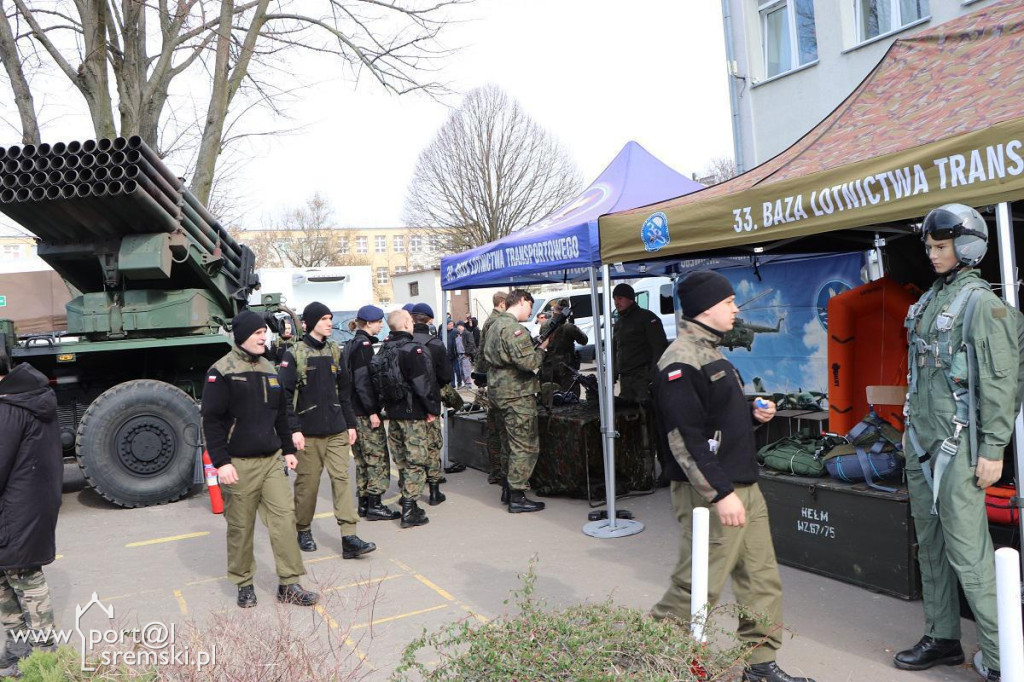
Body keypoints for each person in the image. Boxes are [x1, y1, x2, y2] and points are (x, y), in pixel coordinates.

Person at [650, 271, 813, 682]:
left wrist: (752, 415)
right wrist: (720, 493)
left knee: (761, 580)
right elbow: (683, 438)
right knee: (696, 586)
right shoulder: (680, 359)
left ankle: (760, 667)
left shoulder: (712, 352)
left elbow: (715, 422)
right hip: (712, 491)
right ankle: (654, 662)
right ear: (706, 309)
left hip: (742, 486)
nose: (736, 308)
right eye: (728, 302)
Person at [897, 204, 1016, 682]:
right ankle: (943, 637)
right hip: (922, 443)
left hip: (961, 449)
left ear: (966, 248)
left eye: (941, 246)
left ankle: (1003, 654)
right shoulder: (929, 300)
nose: (932, 253)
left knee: (970, 553)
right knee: (930, 546)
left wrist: (993, 448)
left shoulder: (984, 305)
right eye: (929, 246)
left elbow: (1001, 382)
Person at [202, 310, 318, 608]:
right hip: (238, 464)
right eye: (257, 333)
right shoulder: (221, 370)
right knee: (241, 527)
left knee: (284, 520)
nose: (264, 337)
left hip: (271, 461)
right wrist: (221, 462)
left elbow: (280, 414)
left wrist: (288, 450)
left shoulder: (270, 367)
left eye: (265, 333)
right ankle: (243, 583)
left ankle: (290, 583)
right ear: (242, 336)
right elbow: (211, 421)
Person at [280, 302, 376, 560]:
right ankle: (303, 528)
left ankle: (349, 536)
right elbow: (285, 398)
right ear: (310, 323)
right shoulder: (294, 354)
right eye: (323, 318)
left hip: (335, 430)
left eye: (330, 318)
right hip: (307, 433)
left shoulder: (336, 350)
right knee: (307, 485)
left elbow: (344, 392)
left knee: (342, 480)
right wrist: (294, 430)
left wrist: (350, 424)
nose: (329, 322)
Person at [0, 348, 61, 676]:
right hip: (25, 508)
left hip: (17, 512)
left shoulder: (9, 408)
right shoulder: (26, 397)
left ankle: (43, 657)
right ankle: (19, 650)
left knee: (24, 576)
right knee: (6, 576)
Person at [482, 289, 551, 513]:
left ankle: (507, 488)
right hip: (516, 394)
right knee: (525, 445)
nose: (531, 312)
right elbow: (529, 363)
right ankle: (518, 496)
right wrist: (542, 348)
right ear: (522, 301)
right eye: (530, 306)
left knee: (508, 444)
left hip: (498, 393)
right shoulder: (513, 329)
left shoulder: (493, 325)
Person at [380, 309, 441, 527]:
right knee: (416, 460)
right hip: (412, 413)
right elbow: (423, 384)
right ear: (407, 323)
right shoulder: (413, 350)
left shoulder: (384, 349)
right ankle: (409, 508)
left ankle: (409, 502)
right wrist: (432, 408)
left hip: (393, 414)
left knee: (402, 459)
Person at [343, 305, 401, 522]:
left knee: (362, 459)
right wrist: (373, 411)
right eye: (378, 322)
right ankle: (375, 504)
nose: (381, 326)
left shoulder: (352, 344)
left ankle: (365, 503)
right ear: (368, 323)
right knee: (376, 457)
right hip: (363, 412)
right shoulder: (363, 346)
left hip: (354, 411)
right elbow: (363, 382)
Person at [411, 303, 454, 505]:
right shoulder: (435, 343)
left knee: (411, 449)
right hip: (430, 400)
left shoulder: (402, 342)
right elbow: (446, 375)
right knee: (433, 446)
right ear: (429, 320)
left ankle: (410, 493)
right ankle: (435, 490)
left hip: (407, 405)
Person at [612, 282, 668, 403]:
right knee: (627, 415)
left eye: (620, 298)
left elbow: (660, 347)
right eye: (615, 299)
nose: (616, 302)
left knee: (647, 415)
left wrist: (652, 376)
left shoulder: (647, 318)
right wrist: (613, 373)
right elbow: (615, 349)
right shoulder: (619, 323)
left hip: (643, 379)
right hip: (626, 380)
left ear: (630, 299)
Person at [477, 291, 509, 485]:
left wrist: (480, 374)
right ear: (503, 303)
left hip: (490, 378)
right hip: (498, 380)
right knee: (499, 428)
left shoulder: (489, 321)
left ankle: (496, 469)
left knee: (494, 426)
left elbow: (481, 352)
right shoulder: (497, 322)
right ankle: (499, 471)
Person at [539, 299, 588, 396]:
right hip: (567, 368)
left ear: (554, 310)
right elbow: (584, 340)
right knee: (570, 397)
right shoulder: (569, 327)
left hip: (550, 367)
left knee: (551, 398)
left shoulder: (544, 325)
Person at [455, 323, 477, 388]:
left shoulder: (467, 334)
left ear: (463, 327)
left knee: (466, 370)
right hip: (459, 355)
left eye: (460, 326)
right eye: (458, 326)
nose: (459, 327)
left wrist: (466, 353)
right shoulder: (457, 335)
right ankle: (465, 384)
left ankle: (468, 385)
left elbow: (471, 344)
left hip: (465, 355)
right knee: (461, 371)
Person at [445, 321, 461, 387]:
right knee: (450, 371)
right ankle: (452, 384)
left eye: (452, 324)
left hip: (455, 354)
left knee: (457, 370)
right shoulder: (443, 332)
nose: (452, 325)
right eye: (450, 324)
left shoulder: (455, 331)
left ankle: (459, 382)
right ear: (446, 325)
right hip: (447, 355)